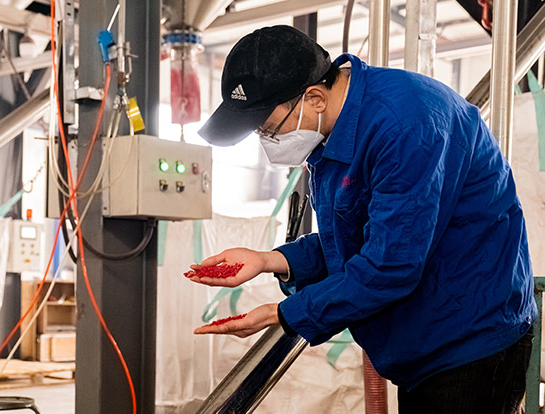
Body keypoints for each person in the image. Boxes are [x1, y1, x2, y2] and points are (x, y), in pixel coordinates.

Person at [189, 25, 537, 414]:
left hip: (469, 343)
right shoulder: (332, 136)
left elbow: (390, 264)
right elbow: (354, 239)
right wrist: (268, 260)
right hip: (427, 341)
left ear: (315, 98)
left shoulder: (405, 125)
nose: (266, 140)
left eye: (268, 129)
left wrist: (283, 314)